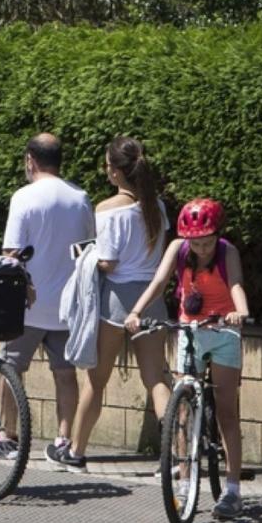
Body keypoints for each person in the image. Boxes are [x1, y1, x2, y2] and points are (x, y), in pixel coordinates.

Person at [125, 198, 251, 519]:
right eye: (197, 243)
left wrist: (240, 311)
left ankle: (233, 489)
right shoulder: (179, 249)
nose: (203, 249)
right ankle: (184, 480)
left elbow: (235, 283)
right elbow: (159, 281)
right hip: (190, 328)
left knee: (226, 410)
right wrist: (137, 311)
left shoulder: (227, 252)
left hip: (223, 331)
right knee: (183, 409)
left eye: (208, 242)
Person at [51, 136, 169, 474]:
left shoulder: (107, 209)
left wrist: (87, 256)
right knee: (156, 378)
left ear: (117, 172)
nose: (105, 170)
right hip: (152, 298)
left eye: (107, 165)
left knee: (96, 379)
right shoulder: (157, 206)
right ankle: (176, 455)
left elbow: (110, 263)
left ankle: (76, 451)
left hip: (118, 301)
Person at [0, 133, 94, 462]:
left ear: (30, 160)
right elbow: (87, 251)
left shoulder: (23, 197)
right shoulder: (80, 198)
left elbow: (11, 254)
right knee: (65, 375)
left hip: (26, 304)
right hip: (67, 306)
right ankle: (64, 440)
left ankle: (8, 436)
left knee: (11, 369)